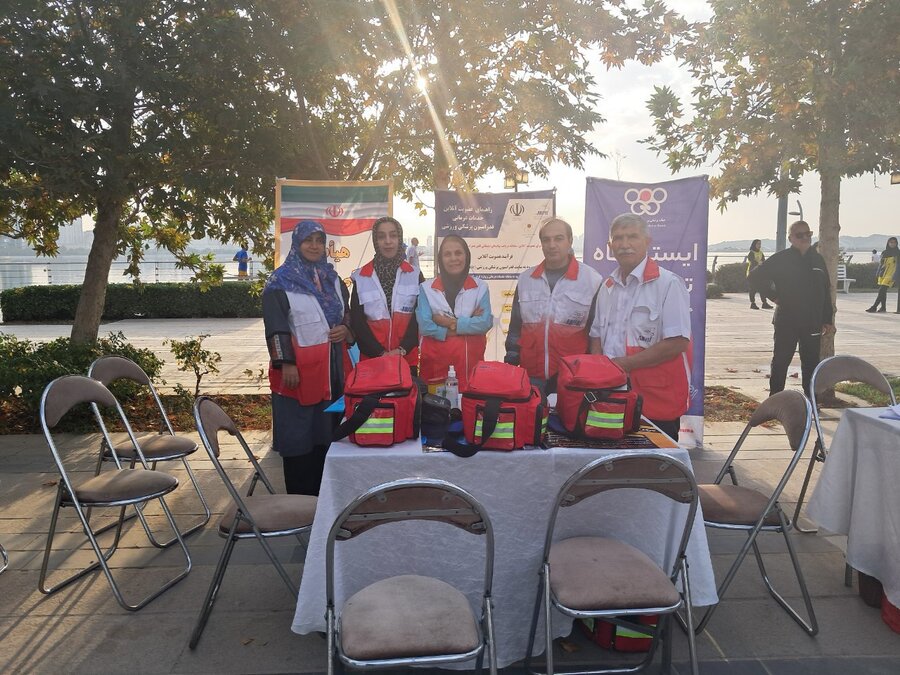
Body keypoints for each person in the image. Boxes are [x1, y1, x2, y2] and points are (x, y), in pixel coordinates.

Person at [262, 220, 354, 496]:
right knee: (299, 436)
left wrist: (346, 328)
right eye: (308, 240)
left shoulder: (332, 279)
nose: (314, 246)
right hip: (298, 374)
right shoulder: (280, 282)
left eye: (319, 241)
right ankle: (301, 504)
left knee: (327, 435)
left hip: (332, 371)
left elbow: (347, 313)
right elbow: (275, 325)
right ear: (297, 244)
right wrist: (286, 363)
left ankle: (326, 500)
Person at [588, 214, 692, 441]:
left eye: (632, 236)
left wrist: (621, 365)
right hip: (611, 395)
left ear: (647, 241)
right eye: (618, 238)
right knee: (612, 455)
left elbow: (677, 343)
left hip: (655, 400)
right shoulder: (607, 286)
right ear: (609, 246)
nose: (624, 244)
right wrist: (600, 372)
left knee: (653, 459)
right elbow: (596, 335)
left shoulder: (669, 284)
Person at [504, 217, 602, 393]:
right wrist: (511, 362)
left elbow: (596, 332)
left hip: (573, 376)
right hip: (532, 375)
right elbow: (515, 327)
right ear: (541, 243)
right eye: (546, 240)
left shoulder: (591, 279)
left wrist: (590, 371)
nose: (552, 245)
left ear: (570, 241)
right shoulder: (526, 279)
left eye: (558, 238)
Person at [749, 220, 833, 396]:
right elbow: (755, 277)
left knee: (811, 363)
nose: (805, 238)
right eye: (799, 235)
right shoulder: (782, 259)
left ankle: (810, 402)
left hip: (812, 321)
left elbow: (826, 289)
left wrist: (827, 319)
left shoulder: (817, 259)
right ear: (790, 238)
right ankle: (776, 399)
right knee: (781, 361)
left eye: (808, 234)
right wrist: (773, 296)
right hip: (787, 320)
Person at [417, 235, 493, 390]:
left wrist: (448, 322)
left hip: (469, 369)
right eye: (447, 254)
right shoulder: (426, 289)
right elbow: (425, 326)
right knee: (435, 405)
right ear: (440, 259)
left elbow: (485, 323)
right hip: (435, 369)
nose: (453, 258)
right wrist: (468, 324)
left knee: (470, 404)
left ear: (467, 256)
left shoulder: (480, 288)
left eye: (458, 253)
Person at [350, 217, 422, 374]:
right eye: (381, 236)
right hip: (372, 360)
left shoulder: (415, 275)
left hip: (405, 359)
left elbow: (419, 317)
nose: (388, 241)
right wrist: (380, 353)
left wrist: (402, 349)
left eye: (393, 235)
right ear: (375, 241)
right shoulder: (361, 277)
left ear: (400, 238)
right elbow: (357, 321)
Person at [866, 237, 899, 313]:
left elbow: (898, 266)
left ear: (896, 243)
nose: (893, 244)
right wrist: (878, 273)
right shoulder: (884, 252)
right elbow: (881, 264)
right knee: (883, 291)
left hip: (891, 274)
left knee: (882, 289)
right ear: (888, 243)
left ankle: (874, 307)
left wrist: (895, 275)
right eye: (891, 242)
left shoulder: (898, 253)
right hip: (883, 274)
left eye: (894, 242)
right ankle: (883, 308)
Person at [745, 239, 772, 309]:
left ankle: (764, 303)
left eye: (760, 244)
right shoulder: (751, 253)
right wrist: (758, 263)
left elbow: (763, 261)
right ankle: (752, 303)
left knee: (763, 288)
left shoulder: (761, 253)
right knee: (753, 289)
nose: (759, 245)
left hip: (759, 274)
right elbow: (752, 261)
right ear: (754, 244)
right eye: (758, 244)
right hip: (752, 274)